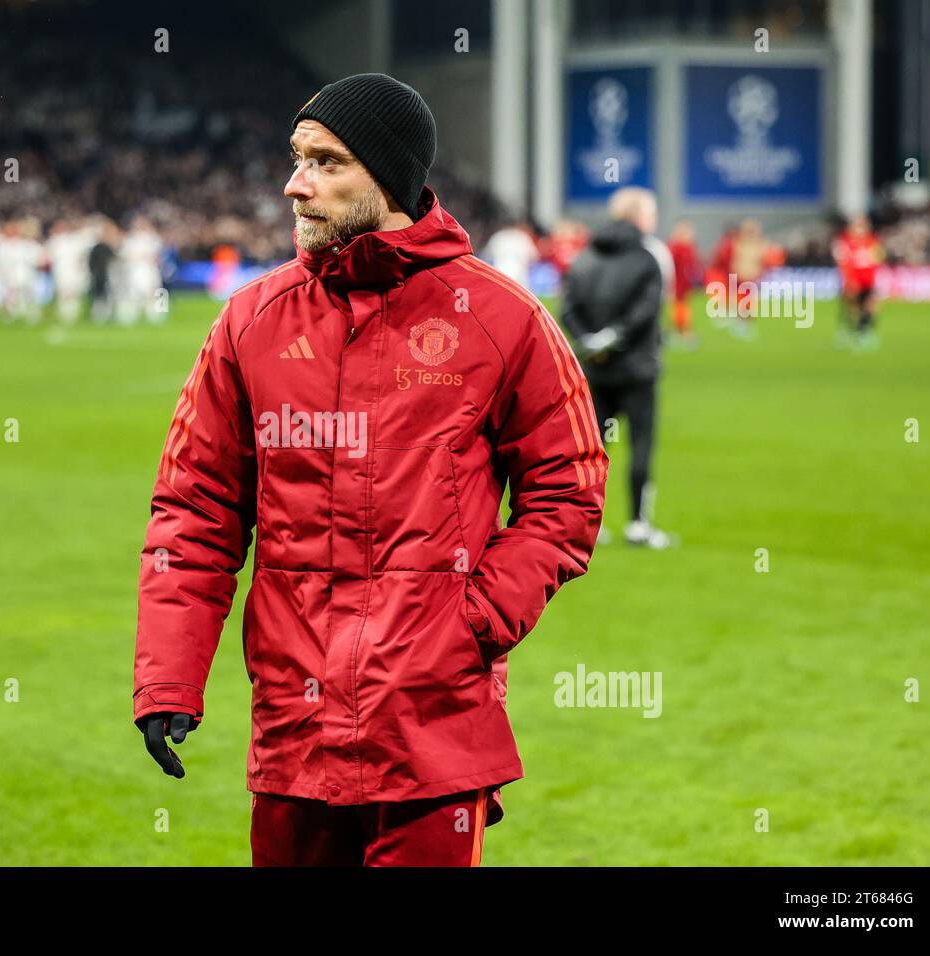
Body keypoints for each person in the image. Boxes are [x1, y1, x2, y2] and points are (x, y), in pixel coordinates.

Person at [133, 73, 608, 867]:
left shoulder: (501, 318)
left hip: (434, 731)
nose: (295, 182)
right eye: (296, 158)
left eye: (325, 162)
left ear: (388, 176)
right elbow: (195, 507)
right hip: (294, 733)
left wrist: (477, 620)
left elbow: (570, 488)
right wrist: (170, 676)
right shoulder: (250, 321)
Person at [560, 186, 673, 549]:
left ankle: (588, 525)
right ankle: (639, 524)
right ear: (638, 216)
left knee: (593, 449)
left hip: (594, 369)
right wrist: (615, 335)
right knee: (641, 445)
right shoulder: (648, 258)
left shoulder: (584, 257)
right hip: (637, 369)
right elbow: (646, 311)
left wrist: (589, 340)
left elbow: (567, 308)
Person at [832, 214, 883, 351]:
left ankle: (865, 332)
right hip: (853, 280)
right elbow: (843, 262)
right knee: (853, 307)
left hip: (868, 280)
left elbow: (877, 259)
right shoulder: (845, 242)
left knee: (871, 306)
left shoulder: (872, 241)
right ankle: (851, 331)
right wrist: (849, 280)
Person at [666, 219, 702, 348]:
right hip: (676, 284)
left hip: (684, 285)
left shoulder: (688, 247)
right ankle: (684, 333)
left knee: (682, 308)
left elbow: (692, 266)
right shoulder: (675, 248)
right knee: (679, 308)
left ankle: (677, 333)